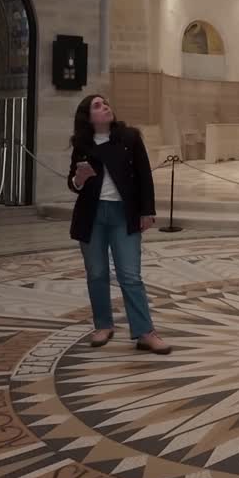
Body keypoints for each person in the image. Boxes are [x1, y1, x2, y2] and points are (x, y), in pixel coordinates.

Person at [67, 94, 172, 353]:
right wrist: (78, 179)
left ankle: (145, 331)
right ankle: (103, 325)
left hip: (123, 213)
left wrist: (147, 211)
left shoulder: (129, 138)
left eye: (106, 104)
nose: (105, 108)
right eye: (98, 106)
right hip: (92, 215)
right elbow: (73, 183)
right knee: (97, 274)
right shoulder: (82, 144)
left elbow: (144, 176)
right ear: (87, 117)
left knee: (130, 275)